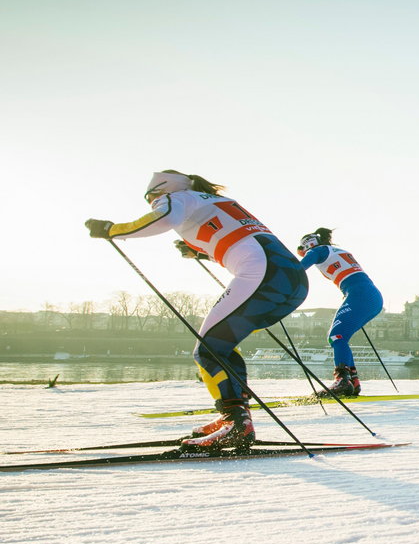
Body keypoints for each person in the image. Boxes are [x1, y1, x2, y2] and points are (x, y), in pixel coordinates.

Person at [85, 170, 308, 448]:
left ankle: (237, 423)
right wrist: (199, 252)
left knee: (208, 349)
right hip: (293, 280)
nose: (151, 203)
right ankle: (236, 418)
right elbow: (239, 240)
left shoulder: (176, 196)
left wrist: (112, 230)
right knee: (220, 346)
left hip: (263, 275)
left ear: (161, 190)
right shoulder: (214, 200)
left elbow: (163, 217)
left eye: (150, 198)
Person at [297, 228, 384, 396]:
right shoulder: (334, 250)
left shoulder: (317, 250)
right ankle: (352, 382)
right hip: (369, 295)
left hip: (359, 295)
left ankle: (342, 381)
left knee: (336, 336)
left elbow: (298, 269)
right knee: (340, 337)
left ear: (308, 245)